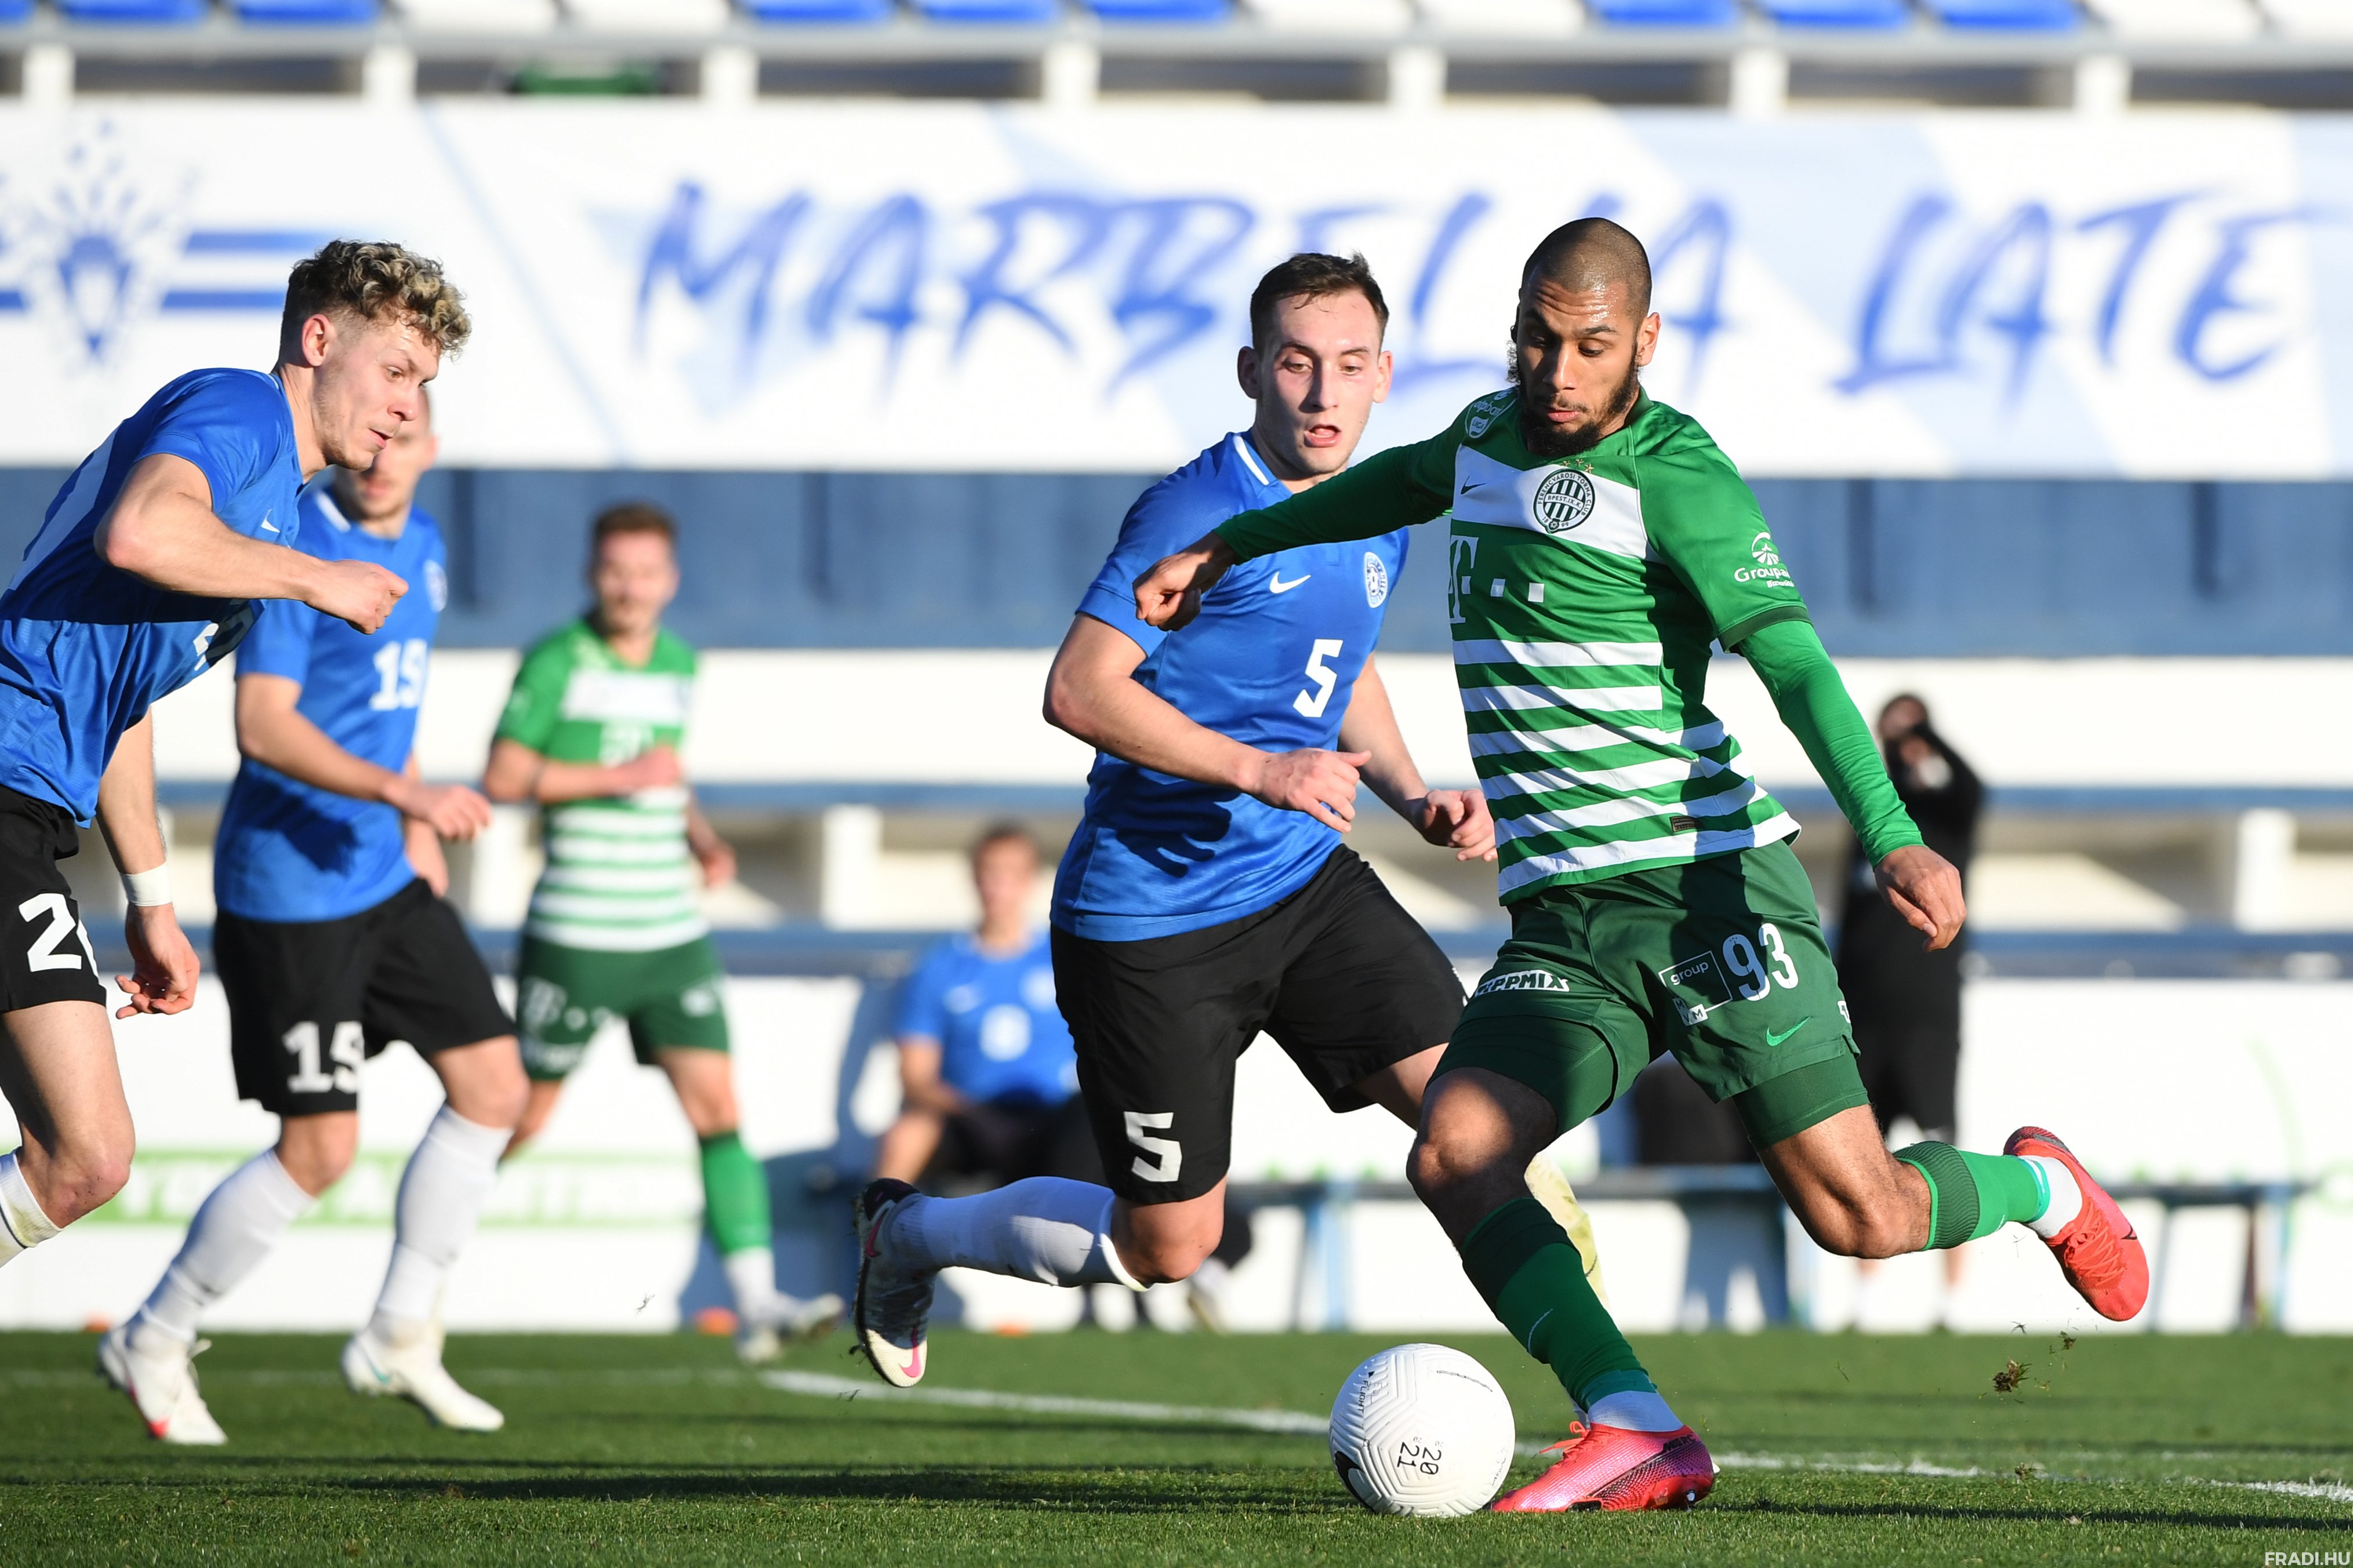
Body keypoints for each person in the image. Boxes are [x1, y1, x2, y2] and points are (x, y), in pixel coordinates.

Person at [1131, 219, 2149, 1512]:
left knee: (1861, 1217)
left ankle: (2045, 1188)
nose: (1557, 372)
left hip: (1704, 889)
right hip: (1566, 922)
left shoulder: (1679, 475)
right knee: (1454, 1153)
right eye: (1536, 339)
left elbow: (1794, 666)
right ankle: (1634, 1423)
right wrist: (1232, 544)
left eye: (1590, 346)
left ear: (1645, 342)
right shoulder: (1484, 438)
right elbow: (1384, 485)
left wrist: (1893, 832)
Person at [849, 253, 1603, 1390]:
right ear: (1252, 371)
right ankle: (908, 1235)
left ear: (1384, 373)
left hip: (1305, 886)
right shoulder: (1197, 508)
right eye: (1296, 364)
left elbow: (1337, 659)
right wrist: (1259, 768)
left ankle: (1609, 1403)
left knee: (1477, 1115)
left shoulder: (1383, 501)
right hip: (1151, 922)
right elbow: (1079, 687)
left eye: (1349, 364)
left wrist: (1411, 791)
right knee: (1169, 1246)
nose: (1322, 392)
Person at [0, 239, 430, 1294]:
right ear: (318, 339)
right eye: (394, 370)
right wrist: (317, 579)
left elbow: (121, 704)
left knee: (85, 1159)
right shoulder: (240, 411)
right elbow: (140, 531)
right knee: (85, 1154)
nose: (407, 406)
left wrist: (151, 901)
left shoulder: (267, 504)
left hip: (32, 812)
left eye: (421, 383)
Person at [100, 392, 525, 1443]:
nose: (383, 457)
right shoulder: (300, 552)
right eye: (376, 434)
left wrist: (411, 822)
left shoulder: (424, 548)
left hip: (382, 873)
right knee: (321, 1151)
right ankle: (153, 1333)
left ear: (430, 447)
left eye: (406, 437)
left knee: (495, 1085)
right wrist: (408, 796)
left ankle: (400, 1331)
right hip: (289, 892)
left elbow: (388, 712)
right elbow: (264, 725)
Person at [490, 503, 839, 1362]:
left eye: (644, 572)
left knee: (719, 1109)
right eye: (615, 570)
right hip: (579, 931)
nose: (629, 587)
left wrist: (700, 837)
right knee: (517, 1116)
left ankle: (757, 1302)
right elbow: (504, 774)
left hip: (670, 932)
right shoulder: (558, 658)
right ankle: (416, 1269)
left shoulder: (680, 661)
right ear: (592, 573)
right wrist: (617, 775)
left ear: (669, 580)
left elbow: (665, 777)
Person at [875, 827, 1092, 1193]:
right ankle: (874, 1223)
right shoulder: (940, 966)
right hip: (971, 1118)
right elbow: (915, 1076)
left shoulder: (1062, 959)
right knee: (909, 1132)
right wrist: (969, 1111)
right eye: (989, 872)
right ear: (974, 877)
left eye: (1010, 873)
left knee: (1097, 1120)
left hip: (1050, 1118)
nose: (997, 886)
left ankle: (1104, 1226)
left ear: (1030, 880)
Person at [1840, 694, 1983, 1151]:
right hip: (1865, 1015)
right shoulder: (1870, 826)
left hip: (1927, 1015)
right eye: (1893, 732)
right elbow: (1850, 916)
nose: (1903, 743)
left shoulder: (1947, 813)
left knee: (1940, 1146)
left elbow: (1973, 784)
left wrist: (1919, 730)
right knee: (1861, 1152)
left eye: (1911, 732)